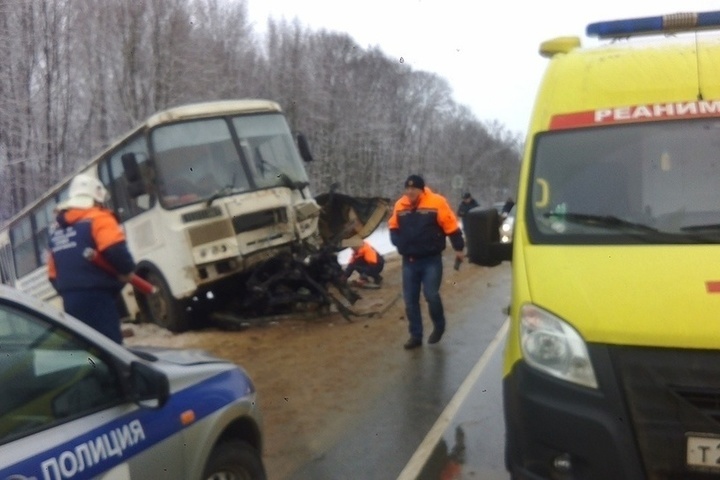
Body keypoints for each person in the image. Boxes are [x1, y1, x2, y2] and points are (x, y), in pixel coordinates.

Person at [48, 174, 136, 344]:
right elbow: (115, 250)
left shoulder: (56, 230)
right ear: (97, 199)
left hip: (71, 302)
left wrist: (71, 291)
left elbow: (52, 275)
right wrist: (126, 272)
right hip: (99, 298)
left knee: (88, 350)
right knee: (110, 349)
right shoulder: (99, 217)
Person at [388, 174, 465, 349]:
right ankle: (415, 335)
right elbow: (393, 227)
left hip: (431, 260)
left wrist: (458, 248)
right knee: (410, 300)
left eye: (413, 188)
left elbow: (451, 226)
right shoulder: (400, 205)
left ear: (421, 189)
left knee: (431, 294)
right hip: (409, 261)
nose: (410, 192)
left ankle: (439, 325)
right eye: (407, 188)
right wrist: (399, 242)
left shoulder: (436, 202)